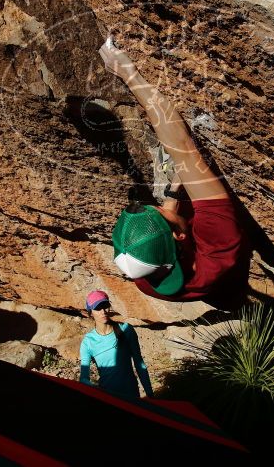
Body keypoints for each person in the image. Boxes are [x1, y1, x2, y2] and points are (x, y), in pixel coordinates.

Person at [99, 37, 247, 303]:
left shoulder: (143, 273)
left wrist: (174, 195)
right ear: (180, 236)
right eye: (161, 214)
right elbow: (181, 145)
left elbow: (163, 228)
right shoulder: (217, 243)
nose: (159, 206)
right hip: (226, 276)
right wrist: (128, 74)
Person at [79, 290, 153, 399]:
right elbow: (84, 378)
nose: (103, 311)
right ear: (90, 312)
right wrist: (96, 389)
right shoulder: (88, 342)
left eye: (105, 305)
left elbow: (139, 363)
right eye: (98, 308)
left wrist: (150, 395)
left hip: (131, 396)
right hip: (107, 398)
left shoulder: (126, 329)